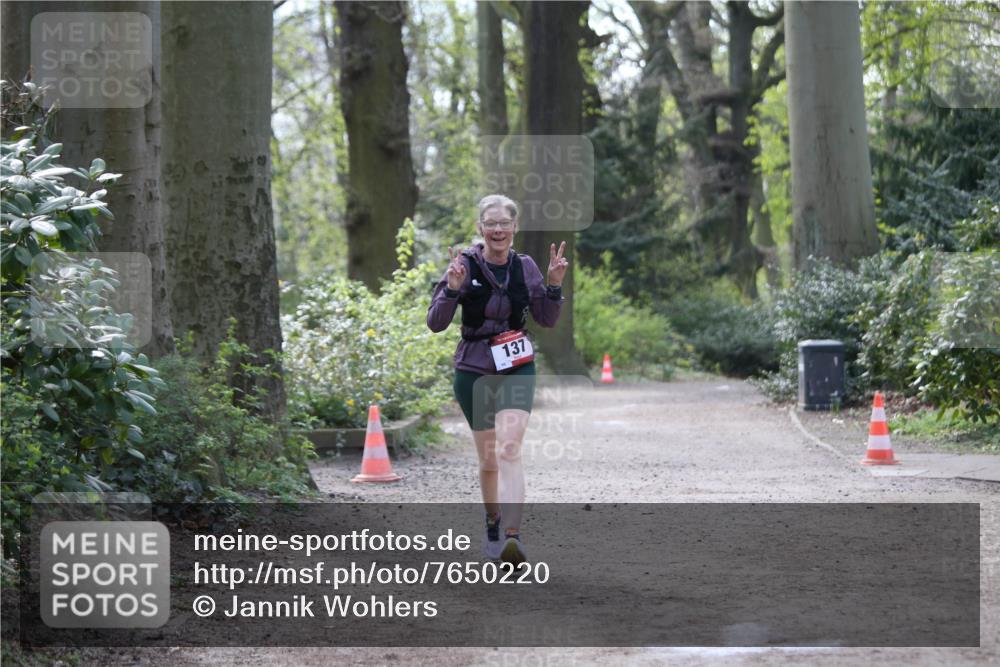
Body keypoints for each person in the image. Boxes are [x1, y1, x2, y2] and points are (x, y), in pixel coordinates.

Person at [426, 194, 568, 564]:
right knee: (489, 459)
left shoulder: (527, 267)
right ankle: (492, 520)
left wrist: (553, 285)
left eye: (505, 223)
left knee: (508, 449)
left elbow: (547, 319)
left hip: (516, 364)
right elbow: (436, 323)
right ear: (480, 228)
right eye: (491, 223)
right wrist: (453, 288)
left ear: (515, 227)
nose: (498, 230)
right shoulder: (463, 265)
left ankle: (513, 537)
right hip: (473, 368)